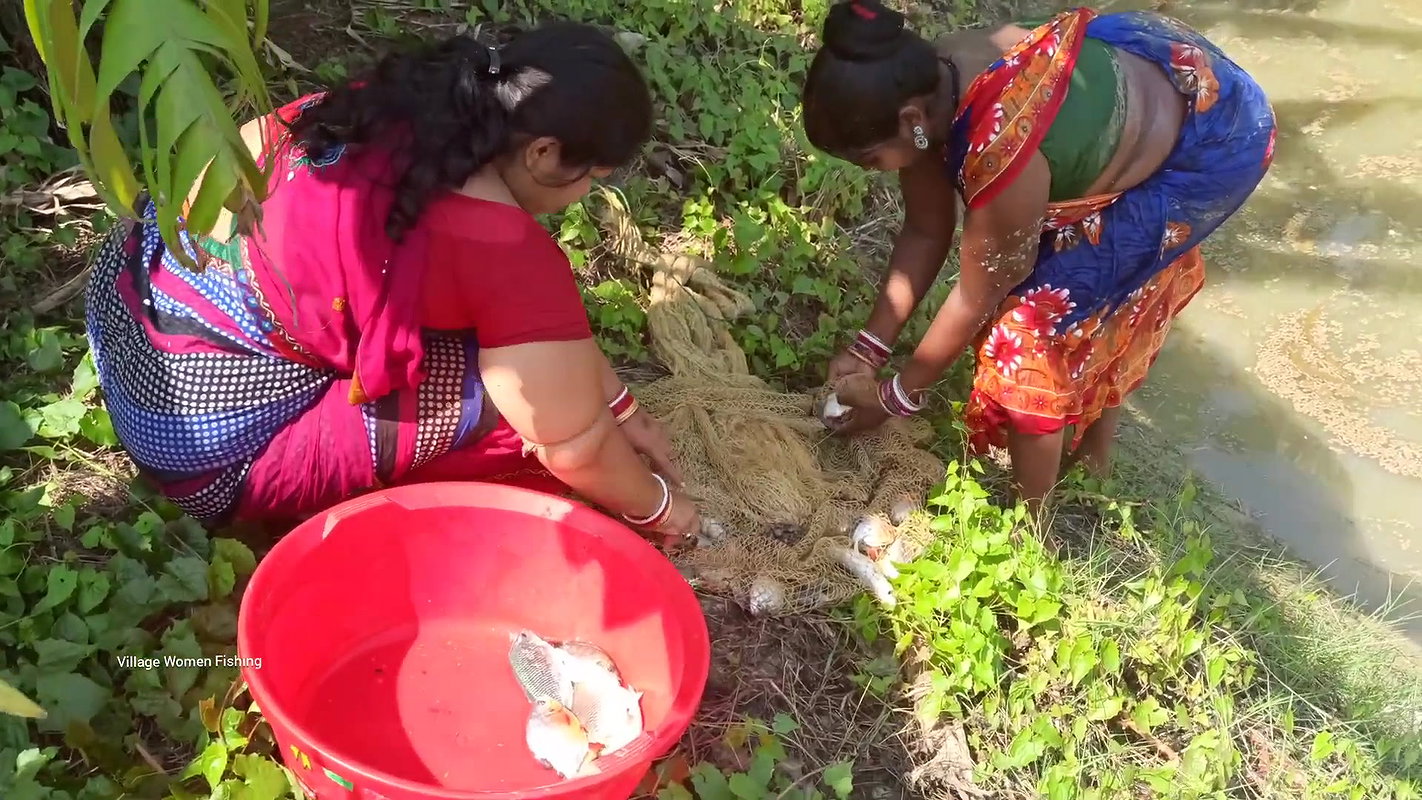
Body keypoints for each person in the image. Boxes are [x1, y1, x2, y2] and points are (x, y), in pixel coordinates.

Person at [84, 23, 702, 546]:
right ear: (543, 152)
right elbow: (572, 444)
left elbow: (545, 338)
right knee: (513, 418)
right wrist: (659, 508)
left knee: (531, 362)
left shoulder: (388, 105)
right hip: (207, 451)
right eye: (591, 176)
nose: (587, 193)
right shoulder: (501, 247)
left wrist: (621, 406)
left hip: (130, 315)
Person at [801, 2, 1275, 514]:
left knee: (1026, 332)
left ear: (911, 119)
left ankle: (1033, 524)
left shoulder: (1000, 144)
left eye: (869, 159)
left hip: (1211, 134)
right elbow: (924, 230)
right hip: (1134, 83)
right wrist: (868, 351)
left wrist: (894, 397)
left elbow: (981, 290)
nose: (869, 171)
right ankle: (1090, 461)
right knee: (1067, 282)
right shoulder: (927, 89)